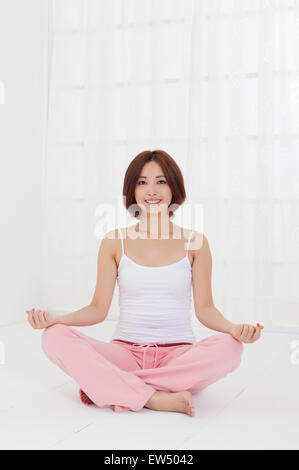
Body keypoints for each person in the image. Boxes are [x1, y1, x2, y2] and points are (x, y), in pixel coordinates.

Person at [26, 149, 264, 417]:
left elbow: (206, 309)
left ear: (174, 187)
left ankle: (111, 386)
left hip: (177, 357)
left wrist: (235, 328)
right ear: (132, 190)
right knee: (54, 337)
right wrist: (55, 319)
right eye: (142, 182)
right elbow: (97, 309)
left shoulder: (195, 242)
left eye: (161, 181)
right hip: (125, 355)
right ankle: (155, 398)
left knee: (230, 348)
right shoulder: (114, 241)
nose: (152, 190)